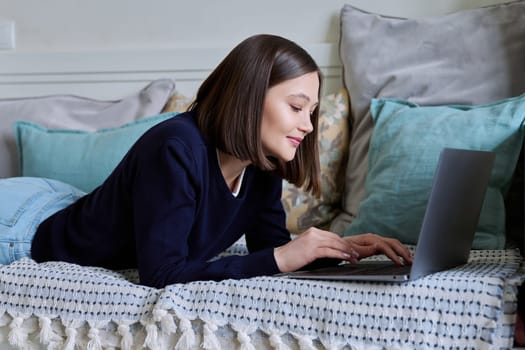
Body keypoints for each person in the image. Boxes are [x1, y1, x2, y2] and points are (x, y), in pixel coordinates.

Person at [0, 34, 412, 289]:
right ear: (250, 98)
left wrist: (340, 250)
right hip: (22, 226)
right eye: (296, 107)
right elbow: (161, 274)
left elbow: (270, 251)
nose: (307, 125)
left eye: (311, 111)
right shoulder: (175, 149)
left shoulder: (262, 165)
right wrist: (282, 257)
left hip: (66, 203)